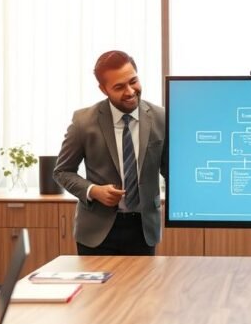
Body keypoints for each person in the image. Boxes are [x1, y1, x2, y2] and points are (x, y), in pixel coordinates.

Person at [53, 50, 166, 255]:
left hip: (143, 230)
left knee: (141, 288)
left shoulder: (161, 117)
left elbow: (171, 170)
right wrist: (94, 191)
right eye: (119, 87)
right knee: (97, 289)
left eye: (133, 81)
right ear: (103, 89)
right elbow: (62, 172)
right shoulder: (83, 121)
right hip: (96, 233)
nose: (131, 91)